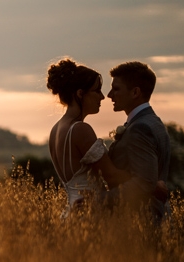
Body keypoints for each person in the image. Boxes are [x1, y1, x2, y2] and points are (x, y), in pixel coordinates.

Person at [46, 59, 136, 216]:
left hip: (71, 213)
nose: (102, 97)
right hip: (87, 215)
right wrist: (146, 182)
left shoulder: (56, 130)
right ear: (80, 94)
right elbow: (112, 176)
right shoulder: (80, 129)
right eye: (97, 90)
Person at [106, 61, 171, 222]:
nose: (109, 95)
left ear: (135, 92)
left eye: (116, 89)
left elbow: (144, 183)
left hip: (141, 219)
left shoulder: (140, 128)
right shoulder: (153, 122)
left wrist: (99, 200)